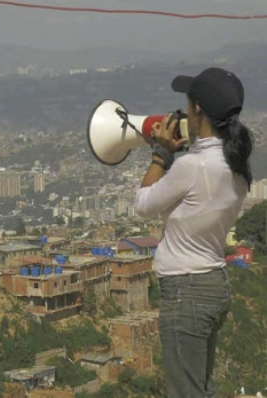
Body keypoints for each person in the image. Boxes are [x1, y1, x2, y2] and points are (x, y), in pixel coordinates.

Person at [134, 67, 253, 398]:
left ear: (197, 109)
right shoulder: (238, 164)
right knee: (199, 389)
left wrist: (162, 154)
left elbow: (143, 203)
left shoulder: (192, 166)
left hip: (186, 291)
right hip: (213, 284)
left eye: (188, 103)